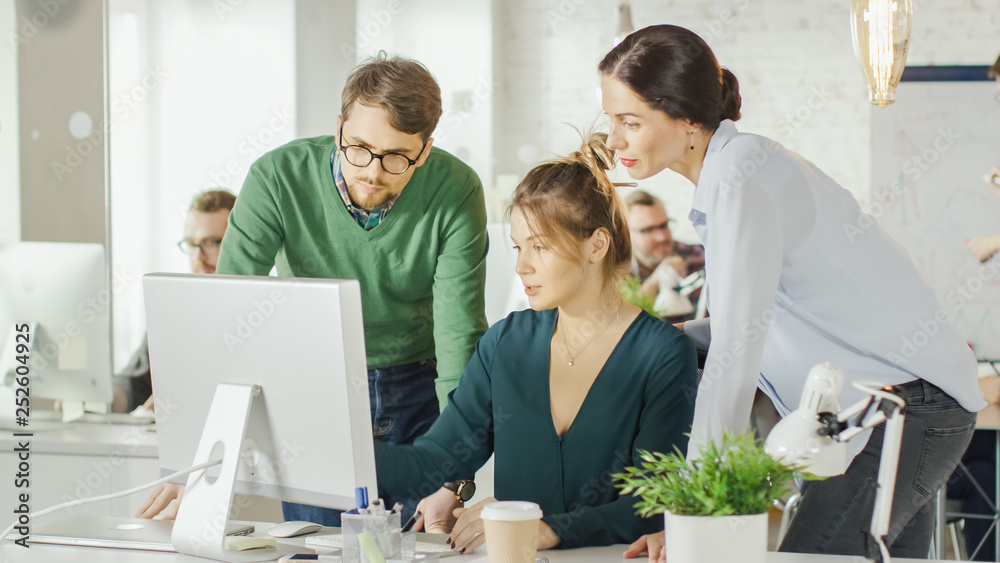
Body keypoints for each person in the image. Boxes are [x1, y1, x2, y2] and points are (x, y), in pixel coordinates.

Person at [598, 25, 985, 561]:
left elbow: (736, 353)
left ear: (686, 119)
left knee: (813, 554)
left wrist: (694, 511)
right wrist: (665, 335)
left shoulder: (740, 180)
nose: (614, 139)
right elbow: (760, 319)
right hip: (902, 407)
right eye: (610, 120)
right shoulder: (736, 172)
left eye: (629, 121)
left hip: (901, 409)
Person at [135, 53, 490, 524]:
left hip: (420, 389)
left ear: (424, 151)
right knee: (316, 547)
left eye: (398, 157)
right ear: (338, 126)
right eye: (358, 147)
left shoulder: (456, 189)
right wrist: (197, 456)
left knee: (418, 550)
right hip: (317, 388)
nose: (372, 171)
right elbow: (225, 312)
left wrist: (454, 479)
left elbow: (458, 338)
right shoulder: (278, 178)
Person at [372, 133, 698, 552]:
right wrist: (348, 452)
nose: (523, 265)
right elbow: (435, 462)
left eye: (540, 247)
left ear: (596, 244)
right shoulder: (505, 344)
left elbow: (652, 503)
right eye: (518, 247)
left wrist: (549, 527)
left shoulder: (662, 354)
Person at [111, 189, 236, 414]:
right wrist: (100, 398)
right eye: (191, 244)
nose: (199, 257)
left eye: (211, 243)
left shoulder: (264, 311)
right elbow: (135, 383)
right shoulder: (173, 312)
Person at [624, 190, 704, 313]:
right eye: (648, 230)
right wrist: (655, 281)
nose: (662, 237)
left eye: (664, 225)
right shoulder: (614, 273)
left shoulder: (701, 257)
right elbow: (622, 321)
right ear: (626, 233)